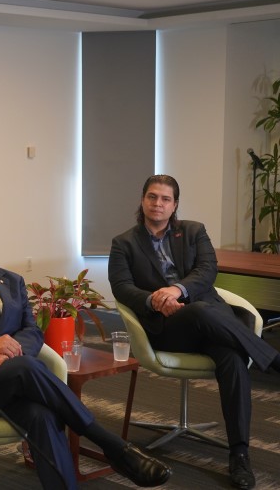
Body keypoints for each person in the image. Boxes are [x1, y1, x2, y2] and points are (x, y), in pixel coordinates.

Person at [0, 205, 171, 490]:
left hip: (9, 377)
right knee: (26, 367)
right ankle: (110, 444)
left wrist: (4, 351)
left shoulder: (10, 280)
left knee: (43, 415)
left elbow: (31, 331)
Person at [108, 174, 280, 490]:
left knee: (233, 357)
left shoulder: (192, 231)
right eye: (152, 197)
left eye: (165, 199)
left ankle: (240, 455)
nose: (157, 203)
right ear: (143, 199)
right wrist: (155, 300)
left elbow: (206, 272)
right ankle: (272, 358)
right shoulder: (125, 242)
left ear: (175, 205)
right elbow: (121, 287)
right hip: (168, 327)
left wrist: (176, 290)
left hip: (209, 319)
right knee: (200, 310)